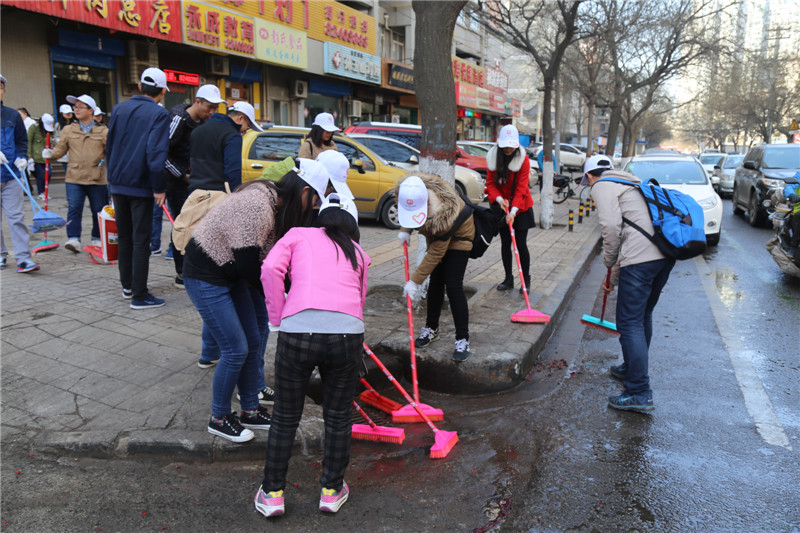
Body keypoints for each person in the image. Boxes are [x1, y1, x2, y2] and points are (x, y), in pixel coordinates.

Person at [182, 161, 328, 444]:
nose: (313, 209)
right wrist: (284, 298)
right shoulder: (256, 205)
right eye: (314, 202)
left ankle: (250, 410)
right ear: (305, 191)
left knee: (252, 339)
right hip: (205, 275)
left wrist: (300, 291)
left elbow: (270, 263)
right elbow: (252, 268)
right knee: (235, 349)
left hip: (230, 274)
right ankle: (219, 417)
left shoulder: (276, 205)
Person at [255, 192, 369, 518]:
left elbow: (270, 269)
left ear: (322, 220)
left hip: (298, 332)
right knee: (338, 416)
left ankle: (272, 494)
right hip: (347, 335)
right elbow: (360, 299)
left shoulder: (297, 235)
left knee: (285, 416)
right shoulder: (358, 251)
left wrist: (277, 317)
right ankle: (332, 491)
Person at [581, 154, 675, 414]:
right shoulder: (633, 184)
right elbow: (631, 234)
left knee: (630, 322)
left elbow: (612, 229)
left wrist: (608, 263)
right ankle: (631, 369)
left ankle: (639, 392)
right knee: (642, 315)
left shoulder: (601, 185)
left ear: (589, 176)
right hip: (664, 255)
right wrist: (613, 277)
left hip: (641, 259)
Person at [106, 67, 170, 309]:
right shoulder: (159, 114)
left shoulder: (119, 109)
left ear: (141, 86)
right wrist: (159, 187)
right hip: (141, 185)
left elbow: (110, 146)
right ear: (162, 91)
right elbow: (156, 153)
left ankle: (128, 286)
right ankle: (140, 295)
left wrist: (112, 179)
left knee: (125, 237)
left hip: (118, 183)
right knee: (141, 240)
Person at [396, 173, 475, 361]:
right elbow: (409, 210)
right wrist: (405, 230)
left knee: (453, 286)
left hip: (460, 237)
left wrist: (414, 281)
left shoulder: (442, 215)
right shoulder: (412, 190)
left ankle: (462, 338)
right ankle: (432, 328)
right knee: (435, 283)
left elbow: (435, 254)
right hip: (438, 238)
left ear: (427, 204)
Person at [161, 84, 225, 280]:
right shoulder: (179, 119)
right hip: (177, 183)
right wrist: (182, 175)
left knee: (198, 225)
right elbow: (162, 153)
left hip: (197, 182)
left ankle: (195, 268)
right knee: (182, 225)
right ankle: (182, 272)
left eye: (215, 108)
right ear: (197, 102)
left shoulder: (205, 123)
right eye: (209, 107)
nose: (211, 112)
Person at [44, 95, 108, 252]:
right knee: (74, 208)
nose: (76, 110)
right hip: (74, 176)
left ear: (91, 110)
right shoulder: (68, 129)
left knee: (98, 209)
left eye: (80, 107)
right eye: (75, 107)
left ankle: (97, 238)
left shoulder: (103, 131)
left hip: (97, 178)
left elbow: (110, 152)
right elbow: (61, 149)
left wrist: (101, 164)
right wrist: (51, 154)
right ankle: (73, 238)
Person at [486, 124, 535, 293]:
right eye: (505, 145)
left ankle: (525, 280)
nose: (508, 149)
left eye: (511, 146)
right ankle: (508, 278)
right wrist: (499, 200)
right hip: (502, 205)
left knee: (520, 244)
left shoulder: (523, 159)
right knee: (505, 243)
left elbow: (522, 188)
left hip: (521, 207)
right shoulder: (493, 157)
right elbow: (490, 183)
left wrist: (513, 212)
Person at [0, 74, 39, 273]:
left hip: (11, 176)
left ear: (4, 91)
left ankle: (23, 258)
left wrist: (22, 156)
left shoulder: (12, 115)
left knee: (16, 217)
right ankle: (0, 254)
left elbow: (21, 141)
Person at [189, 100, 263, 195]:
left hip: (194, 193)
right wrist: (235, 196)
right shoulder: (233, 135)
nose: (244, 131)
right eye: (247, 126)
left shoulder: (198, 130)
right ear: (241, 118)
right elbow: (233, 171)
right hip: (216, 195)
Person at [27, 113, 54, 200]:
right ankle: (41, 192)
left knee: (48, 174)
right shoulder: (33, 128)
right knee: (41, 175)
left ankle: (45, 191)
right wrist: (29, 155)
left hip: (47, 156)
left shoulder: (48, 130)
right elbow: (29, 141)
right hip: (36, 156)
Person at [54, 103, 75, 173]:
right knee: (68, 172)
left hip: (75, 152)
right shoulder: (58, 126)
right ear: (61, 113)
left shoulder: (76, 124)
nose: (69, 114)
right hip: (65, 153)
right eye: (66, 113)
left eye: (70, 113)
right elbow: (56, 138)